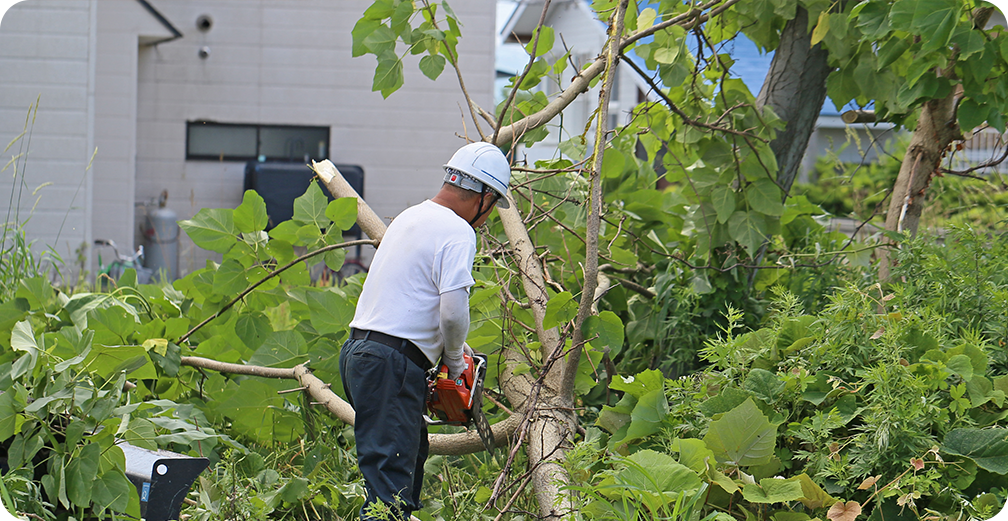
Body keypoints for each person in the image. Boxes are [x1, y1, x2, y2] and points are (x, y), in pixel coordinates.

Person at [339, 142, 511, 520]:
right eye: (494, 205)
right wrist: (453, 360)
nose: (489, 217)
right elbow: (452, 313)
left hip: (360, 353)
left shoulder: (410, 216)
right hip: (390, 362)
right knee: (389, 493)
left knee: (405, 465)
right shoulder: (458, 232)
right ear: (483, 195)